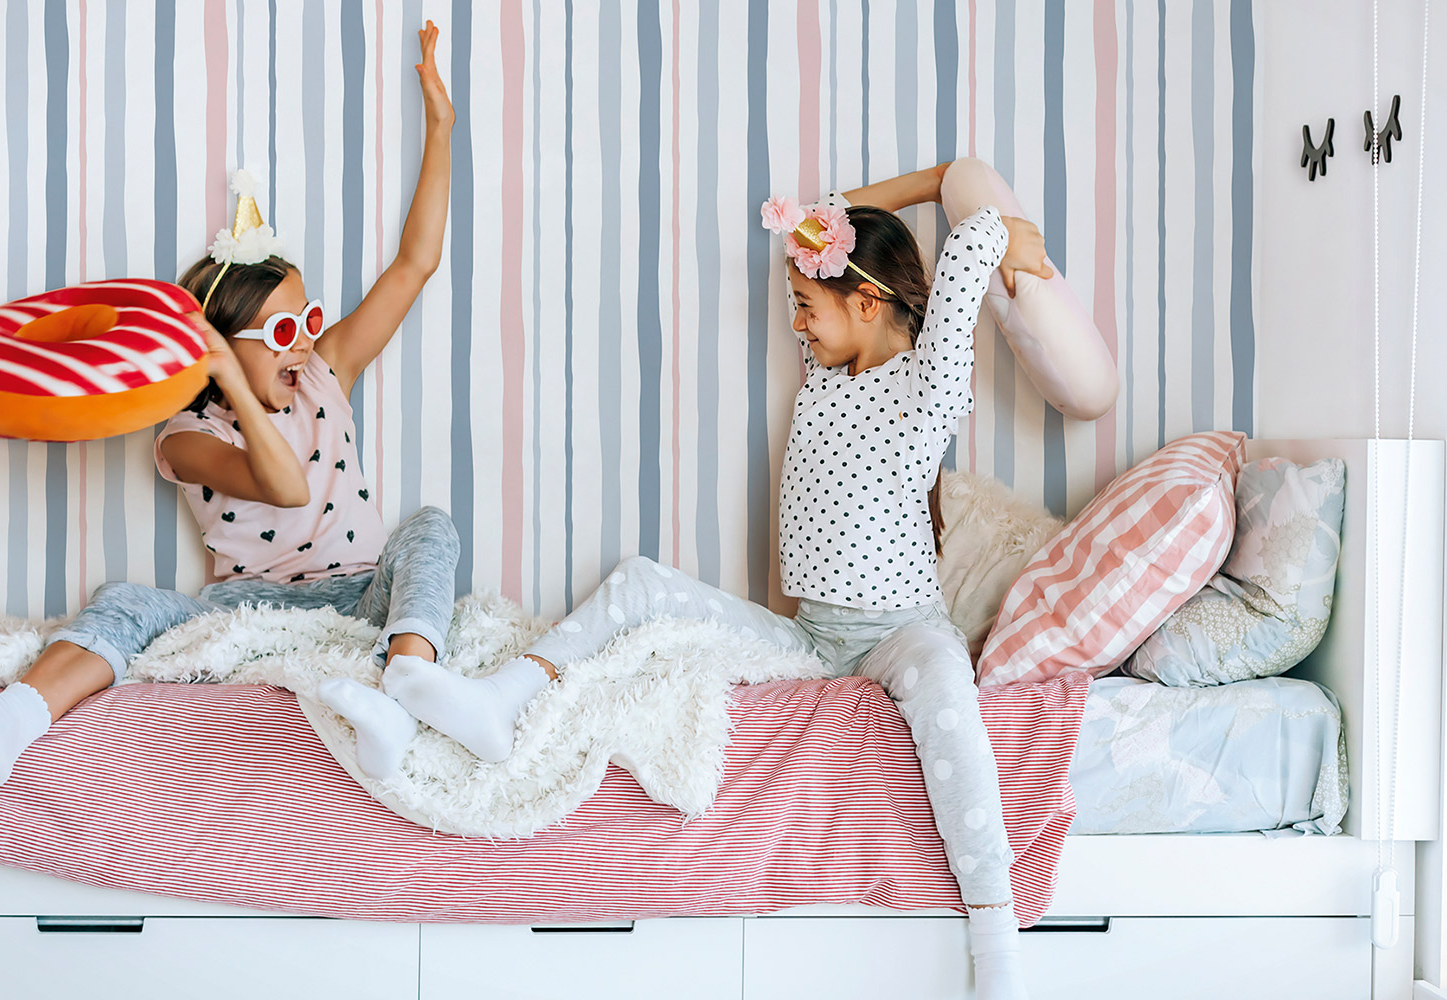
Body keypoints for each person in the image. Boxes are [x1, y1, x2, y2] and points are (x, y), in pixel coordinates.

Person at [335, 164, 1053, 1000]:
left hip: (901, 627)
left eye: (808, 308)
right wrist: (915, 188)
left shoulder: (926, 388)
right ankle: (504, 697)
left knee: (945, 685)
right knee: (640, 582)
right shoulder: (829, 373)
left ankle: (994, 921)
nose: (796, 325)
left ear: (866, 305)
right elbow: (822, 225)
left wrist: (995, 224)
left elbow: (965, 254)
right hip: (813, 636)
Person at [0, 20, 460, 790]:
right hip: (247, 612)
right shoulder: (185, 435)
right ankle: (12, 722)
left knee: (429, 527)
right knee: (126, 600)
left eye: (310, 322)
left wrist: (441, 124)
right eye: (283, 332)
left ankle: (406, 692)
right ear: (224, 345)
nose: (304, 344)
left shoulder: (328, 371)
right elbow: (284, 485)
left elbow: (415, 263)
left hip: (358, 598)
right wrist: (229, 381)